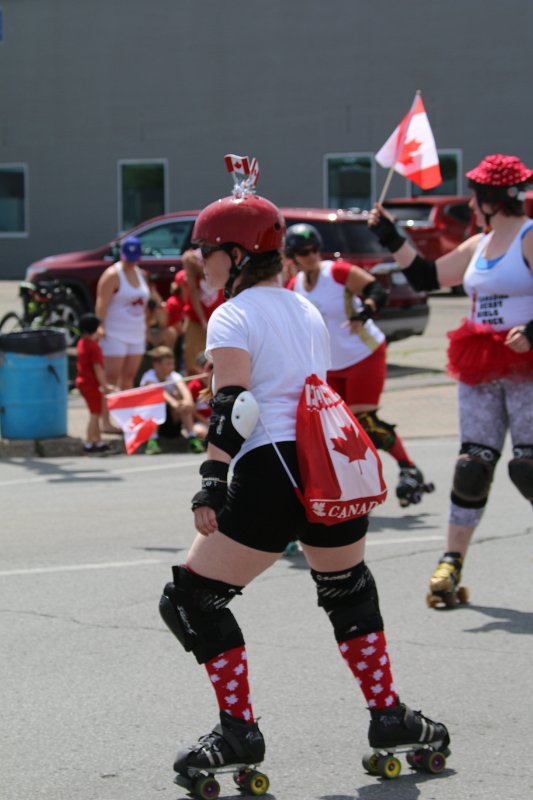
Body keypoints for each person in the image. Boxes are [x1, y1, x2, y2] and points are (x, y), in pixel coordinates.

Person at [158, 186, 450, 789]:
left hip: (272, 471)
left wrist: (211, 481)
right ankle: (390, 717)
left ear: (237, 254)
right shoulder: (304, 307)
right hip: (329, 466)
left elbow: (236, 405)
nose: (201, 262)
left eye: (208, 250)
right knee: (347, 591)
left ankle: (239, 731)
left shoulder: (232, 314)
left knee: (190, 599)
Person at [368, 153, 533, 606]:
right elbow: (426, 277)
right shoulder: (479, 244)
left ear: (494, 197)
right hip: (480, 363)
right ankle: (451, 561)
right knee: (472, 467)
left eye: (477, 195)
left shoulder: (528, 236)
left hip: (527, 365)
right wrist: (390, 235)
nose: (471, 204)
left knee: (528, 468)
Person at [285, 223, 433, 507]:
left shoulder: (337, 273)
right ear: (293, 257)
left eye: (315, 249)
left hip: (364, 354)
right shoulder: (294, 286)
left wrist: (364, 312)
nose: (312, 255)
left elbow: (377, 290)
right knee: (337, 428)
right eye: (304, 252)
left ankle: (408, 467)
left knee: (364, 421)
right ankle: (351, 483)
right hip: (331, 364)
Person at [95, 236, 151, 432]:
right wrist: (100, 326)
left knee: (129, 377)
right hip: (114, 333)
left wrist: (147, 328)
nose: (131, 262)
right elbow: (101, 303)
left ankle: (125, 418)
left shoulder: (141, 273)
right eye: (128, 258)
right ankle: (106, 421)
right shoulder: (112, 274)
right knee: (111, 378)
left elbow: (145, 304)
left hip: (136, 333)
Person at [140, 345, 206, 454]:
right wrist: (173, 402)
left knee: (182, 401)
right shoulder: (148, 377)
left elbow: (183, 389)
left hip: (172, 419)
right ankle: (152, 441)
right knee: (155, 401)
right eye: (168, 364)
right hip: (151, 420)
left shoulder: (174, 376)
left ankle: (192, 438)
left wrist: (187, 402)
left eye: (173, 363)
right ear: (156, 364)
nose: (172, 367)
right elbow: (158, 391)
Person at [75, 313, 115, 454]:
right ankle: (89, 442)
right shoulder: (94, 347)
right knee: (95, 414)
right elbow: (98, 368)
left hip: (82, 382)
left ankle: (97, 441)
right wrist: (105, 385)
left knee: (95, 412)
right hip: (91, 384)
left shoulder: (82, 343)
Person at [181, 247, 225, 374]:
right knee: (193, 363)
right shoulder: (191, 259)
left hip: (218, 318)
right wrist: (203, 321)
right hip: (196, 319)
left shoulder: (222, 253)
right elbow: (193, 292)